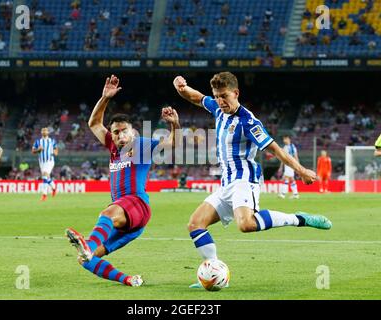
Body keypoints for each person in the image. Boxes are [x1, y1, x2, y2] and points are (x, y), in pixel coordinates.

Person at [173, 72, 332, 288]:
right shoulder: (218, 109)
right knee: (195, 224)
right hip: (226, 183)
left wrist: (301, 170)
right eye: (217, 96)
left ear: (236, 93)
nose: (220, 101)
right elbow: (197, 97)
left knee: (246, 224)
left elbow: (276, 150)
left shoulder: (248, 121)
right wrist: (182, 88)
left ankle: (299, 218)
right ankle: (214, 274)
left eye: (225, 96)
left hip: (244, 180)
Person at [65, 75, 180, 287]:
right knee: (86, 259)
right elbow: (94, 123)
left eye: (123, 131)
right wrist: (105, 98)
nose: (119, 135)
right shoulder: (112, 147)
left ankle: (87, 243)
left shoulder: (141, 145)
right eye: (116, 132)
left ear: (132, 132)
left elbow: (173, 145)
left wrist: (175, 125)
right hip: (130, 224)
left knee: (107, 213)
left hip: (137, 204)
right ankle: (128, 280)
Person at [32, 127, 58, 201]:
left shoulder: (52, 141)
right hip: (42, 162)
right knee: (47, 177)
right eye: (42, 130)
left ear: (48, 132)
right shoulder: (38, 141)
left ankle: (44, 195)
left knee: (44, 175)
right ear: (41, 132)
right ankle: (54, 188)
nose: (44, 131)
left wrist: (54, 152)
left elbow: (56, 150)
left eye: (45, 130)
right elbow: (33, 151)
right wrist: (38, 150)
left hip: (50, 161)